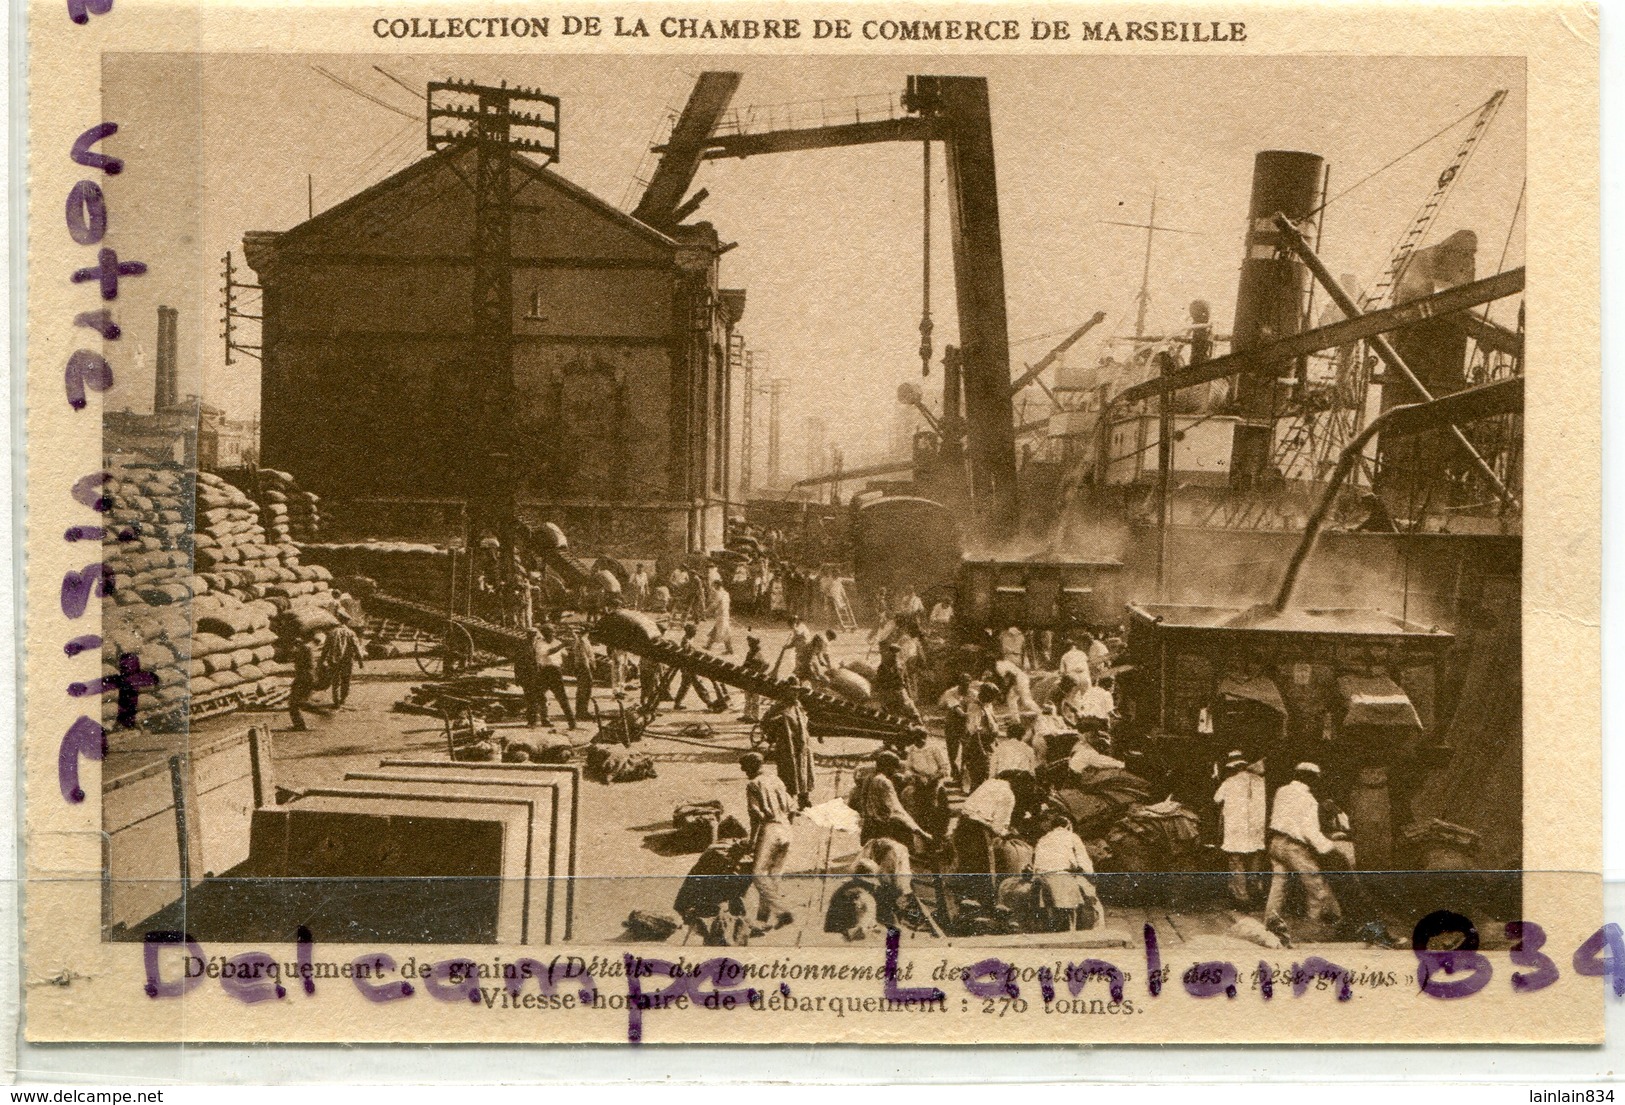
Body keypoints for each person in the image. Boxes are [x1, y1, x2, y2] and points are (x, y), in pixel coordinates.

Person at [1263, 762, 1340, 944]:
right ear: (1311, 778)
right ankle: (1315, 929)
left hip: (1275, 842)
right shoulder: (1308, 799)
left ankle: (1270, 924)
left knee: (1278, 885)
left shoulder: (1281, 791)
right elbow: (1309, 831)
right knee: (1315, 884)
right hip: (1293, 846)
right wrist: (1328, 847)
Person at [741, 752, 796, 932]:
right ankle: (763, 919)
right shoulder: (776, 780)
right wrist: (786, 826)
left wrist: (752, 840)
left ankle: (782, 911)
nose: (743, 771)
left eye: (744, 767)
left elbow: (756, 814)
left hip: (770, 828)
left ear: (751, 766)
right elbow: (793, 807)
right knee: (773, 875)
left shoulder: (753, 784)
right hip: (786, 827)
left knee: (757, 874)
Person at [1214, 752, 1268, 906]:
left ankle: (1241, 897)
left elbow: (1217, 799)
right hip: (1256, 829)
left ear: (1233, 767)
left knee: (1237, 862)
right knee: (1255, 861)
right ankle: (1256, 893)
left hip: (1236, 829)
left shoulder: (1229, 782)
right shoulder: (1260, 781)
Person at [1032, 811, 1102, 929]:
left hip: (1042, 876)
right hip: (1062, 875)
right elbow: (1083, 859)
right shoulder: (1072, 837)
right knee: (1091, 900)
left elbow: (1036, 862)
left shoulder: (1043, 839)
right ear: (1068, 826)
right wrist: (1090, 875)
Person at [850, 751, 930, 852]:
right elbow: (897, 810)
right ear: (887, 766)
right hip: (884, 830)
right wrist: (920, 831)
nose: (895, 771)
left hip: (870, 828)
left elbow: (863, 803)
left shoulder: (869, 778)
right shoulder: (884, 782)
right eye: (894, 768)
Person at [761, 683, 816, 808]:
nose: (795, 694)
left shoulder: (798, 705)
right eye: (792, 691)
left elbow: (805, 720)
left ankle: (804, 799)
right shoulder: (778, 707)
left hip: (802, 745)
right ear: (786, 691)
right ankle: (789, 802)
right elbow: (765, 723)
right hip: (787, 746)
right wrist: (779, 723)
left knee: (805, 771)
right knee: (788, 774)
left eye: (797, 691)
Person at [519, 624, 574, 729]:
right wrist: (561, 646)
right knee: (536, 696)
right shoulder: (540, 644)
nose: (550, 635)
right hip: (544, 671)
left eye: (552, 632)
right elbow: (548, 652)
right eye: (547, 633)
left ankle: (572, 722)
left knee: (562, 698)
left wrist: (560, 661)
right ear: (544, 634)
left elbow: (565, 654)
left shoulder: (557, 642)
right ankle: (532, 721)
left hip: (556, 671)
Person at [322, 611, 366, 707]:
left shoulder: (332, 633)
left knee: (335, 680)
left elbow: (325, 648)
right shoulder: (351, 633)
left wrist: (321, 660)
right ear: (347, 622)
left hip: (334, 660)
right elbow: (356, 647)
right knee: (346, 680)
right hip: (347, 660)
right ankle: (343, 699)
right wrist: (360, 661)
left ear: (338, 620)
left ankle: (336, 700)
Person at [872, 643, 922, 724]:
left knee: (911, 709)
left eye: (896, 653)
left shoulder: (901, 665)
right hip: (888, 691)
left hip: (899, 690)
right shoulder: (883, 666)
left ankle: (919, 725)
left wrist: (909, 693)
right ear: (889, 653)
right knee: (890, 712)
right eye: (893, 653)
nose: (894, 655)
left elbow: (906, 679)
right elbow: (878, 680)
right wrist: (879, 693)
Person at [287, 630, 327, 731]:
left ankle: (321, 713)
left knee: (294, 702)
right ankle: (301, 724)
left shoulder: (305, 648)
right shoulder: (307, 647)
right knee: (298, 702)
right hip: (306, 677)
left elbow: (305, 664)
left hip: (303, 677)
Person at [569, 627, 596, 721]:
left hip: (582, 667)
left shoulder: (580, 640)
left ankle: (582, 710)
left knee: (583, 689)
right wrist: (588, 668)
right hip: (584, 667)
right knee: (585, 689)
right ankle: (581, 712)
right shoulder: (583, 641)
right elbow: (584, 657)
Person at [739, 635, 768, 722]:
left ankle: (755, 717)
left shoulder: (759, 653)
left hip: (755, 678)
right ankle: (747, 715)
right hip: (749, 677)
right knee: (748, 697)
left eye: (750, 642)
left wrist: (759, 673)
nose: (749, 643)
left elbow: (766, 664)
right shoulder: (750, 652)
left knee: (755, 698)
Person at [704, 579, 735, 655]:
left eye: (714, 586)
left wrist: (706, 611)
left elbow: (714, 604)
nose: (713, 588)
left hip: (721, 615)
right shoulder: (726, 593)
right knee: (718, 630)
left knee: (723, 632)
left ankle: (729, 650)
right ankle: (709, 645)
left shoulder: (719, 594)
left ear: (717, 585)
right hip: (725, 614)